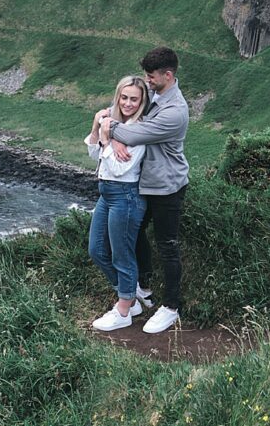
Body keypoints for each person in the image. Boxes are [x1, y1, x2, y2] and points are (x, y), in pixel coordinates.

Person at [96, 46, 189, 334]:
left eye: (151, 77)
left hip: (166, 186)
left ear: (168, 75)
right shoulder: (155, 95)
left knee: (167, 245)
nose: (146, 80)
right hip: (141, 183)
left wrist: (108, 129)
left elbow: (135, 133)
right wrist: (107, 123)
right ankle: (143, 288)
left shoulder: (175, 112)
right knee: (132, 235)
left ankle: (172, 307)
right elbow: (117, 112)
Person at [85, 75, 151, 331]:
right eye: (124, 97)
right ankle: (129, 295)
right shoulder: (114, 124)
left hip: (126, 195)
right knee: (97, 250)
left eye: (134, 99)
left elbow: (118, 167)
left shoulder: (138, 129)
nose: (128, 103)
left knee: (122, 255)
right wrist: (98, 128)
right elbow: (95, 157)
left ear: (142, 101)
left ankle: (124, 309)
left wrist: (106, 138)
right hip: (108, 194)